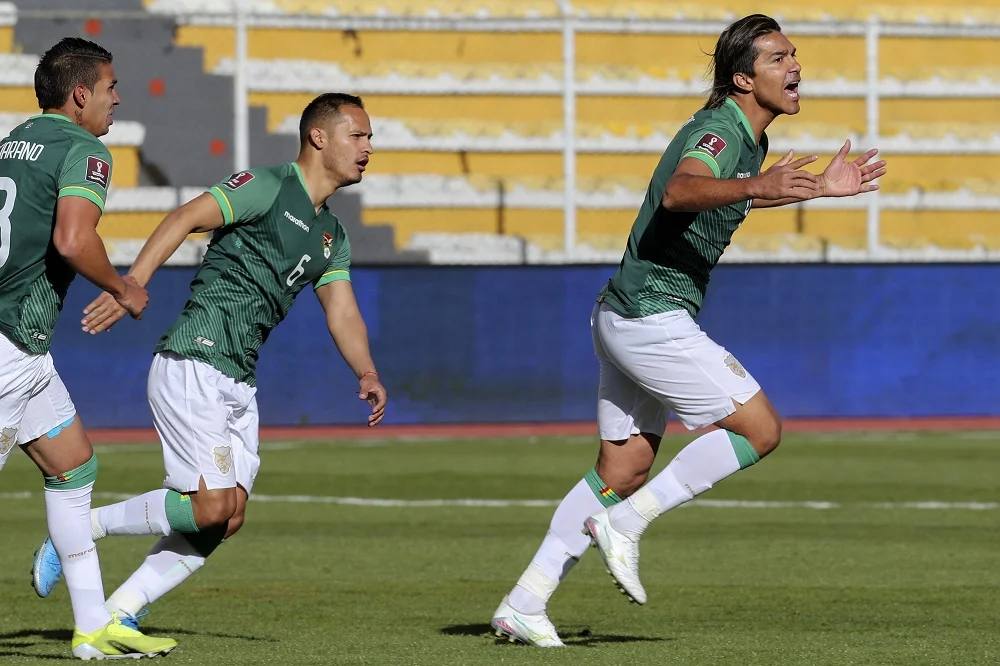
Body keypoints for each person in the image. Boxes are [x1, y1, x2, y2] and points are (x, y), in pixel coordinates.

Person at [491, 14, 887, 647]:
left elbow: (729, 192)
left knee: (619, 471)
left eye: (794, 56)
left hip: (625, 313)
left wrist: (814, 187)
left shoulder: (744, 139)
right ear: (742, 77)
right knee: (760, 429)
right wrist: (762, 184)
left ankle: (525, 602)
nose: (795, 67)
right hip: (650, 314)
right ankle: (628, 524)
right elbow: (680, 192)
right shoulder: (718, 130)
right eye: (779, 58)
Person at [31, 92, 388, 629]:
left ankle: (119, 614)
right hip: (195, 358)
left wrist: (367, 371)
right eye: (357, 136)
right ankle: (79, 530)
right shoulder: (268, 186)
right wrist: (134, 283)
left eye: (368, 139)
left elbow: (343, 314)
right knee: (211, 507)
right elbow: (185, 217)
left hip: (239, 377)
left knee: (228, 518)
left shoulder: (332, 235)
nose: (367, 149)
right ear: (319, 137)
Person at [0, 37, 176, 659]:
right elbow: (74, 240)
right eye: (109, 87)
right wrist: (125, 286)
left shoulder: (12, 141)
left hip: (24, 347)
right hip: (7, 348)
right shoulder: (84, 150)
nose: (116, 98)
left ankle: (91, 624)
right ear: (80, 95)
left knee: (74, 466)